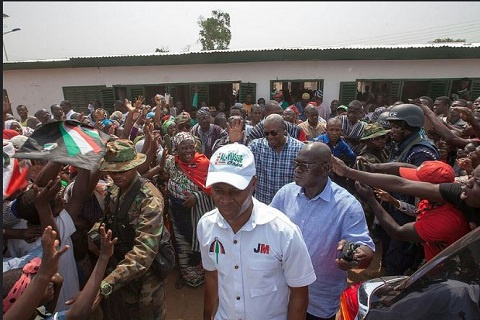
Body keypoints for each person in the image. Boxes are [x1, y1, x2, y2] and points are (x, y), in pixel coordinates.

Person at [197, 143, 316, 320]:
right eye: (218, 191)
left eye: (235, 192)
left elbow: (299, 294)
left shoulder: (283, 232)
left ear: (253, 184)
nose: (225, 200)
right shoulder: (206, 225)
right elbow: (213, 276)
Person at [270, 142, 374, 320]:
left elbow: (365, 249)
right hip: (281, 293)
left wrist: (353, 255)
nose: (297, 170)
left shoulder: (347, 205)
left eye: (304, 166)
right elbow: (268, 229)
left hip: (319, 301)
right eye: (296, 164)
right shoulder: (285, 194)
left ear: (326, 168)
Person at [88, 139, 167, 320]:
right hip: (122, 264)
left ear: (135, 166)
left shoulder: (149, 198)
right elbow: (107, 218)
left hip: (148, 271)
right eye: (113, 170)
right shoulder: (114, 189)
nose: (117, 175)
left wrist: (107, 284)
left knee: (149, 312)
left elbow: (144, 252)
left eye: (124, 170)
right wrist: (94, 234)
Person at [354, 161, 471, 263]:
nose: (411, 184)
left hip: (442, 270)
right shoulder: (439, 196)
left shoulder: (445, 221)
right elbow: (417, 210)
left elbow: (398, 232)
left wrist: (371, 199)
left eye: (416, 181)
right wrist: (375, 167)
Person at [3, 224, 117, 320]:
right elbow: (77, 313)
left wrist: (104, 256)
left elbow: (71, 311)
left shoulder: (38, 313)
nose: (49, 281)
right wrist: (43, 274)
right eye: (37, 287)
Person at [158, 132, 215, 288]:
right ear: (177, 149)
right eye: (184, 148)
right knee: (182, 245)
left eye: (191, 147)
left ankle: (204, 276)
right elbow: (164, 174)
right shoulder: (172, 163)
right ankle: (188, 277)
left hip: (198, 215)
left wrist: (197, 196)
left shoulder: (204, 164)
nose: (189, 151)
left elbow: (213, 188)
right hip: (177, 214)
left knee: (200, 243)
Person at [248, 114, 305, 204]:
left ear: (284, 130)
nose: (270, 137)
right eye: (266, 133)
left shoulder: (299, 148)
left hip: (288, 206)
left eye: (274, 133)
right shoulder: (256, 146)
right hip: (264, 207)